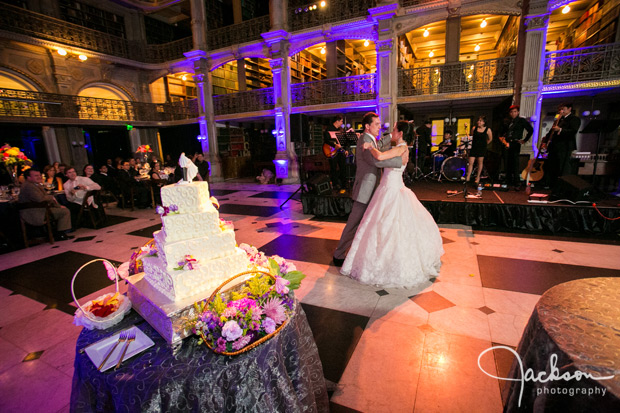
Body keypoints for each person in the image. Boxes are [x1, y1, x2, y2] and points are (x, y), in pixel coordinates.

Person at [340, 120, 444, 287]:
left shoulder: (401, 148)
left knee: (390, 228)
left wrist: (370, 147)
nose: (391, 132)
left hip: (392, 191)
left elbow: (380, 157)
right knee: (379, 227)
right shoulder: (398, 148)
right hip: (386, 188)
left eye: (394, 130)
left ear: (401, 133)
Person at [333, 112, 407, 266]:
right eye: (377, 124)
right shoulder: (364, 140)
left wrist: (389, 138)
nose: (380, 127)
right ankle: (338, 254)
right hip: (365, 191)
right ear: (367, 126)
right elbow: (377, 161)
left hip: (373, 189)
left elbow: (378, 146)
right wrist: (401, 161)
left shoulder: (370, 139)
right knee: (353, 223)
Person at [18, 169, 73, 240]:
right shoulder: (29, 186)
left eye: (39, 175)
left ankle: (59, 233)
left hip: (41, 209)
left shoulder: (35, 185)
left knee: (63, 209)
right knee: (64, 212)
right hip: (34, 213)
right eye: (36, 176)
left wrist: (57, 205)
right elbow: (40, 199)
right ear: (28, 177)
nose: (39, 177)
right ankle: (60, 234)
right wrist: (51, 198)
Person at [541, 102, 581, 188]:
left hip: (564, 146)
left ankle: (563, 186)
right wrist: (545, 141)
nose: (561, 111)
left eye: (563, 109)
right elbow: (551, 131)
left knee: (563, 166)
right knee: (552, 165)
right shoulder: (558, 119)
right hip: (554, 146)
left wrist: (560, 129)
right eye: (560, 110)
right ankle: (552, 184)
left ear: (569, 109)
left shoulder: (574, 119)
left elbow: (573, 131)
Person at [500, 105, 534, 190]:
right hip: (507, 143)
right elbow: (502, 132)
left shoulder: (521, 121)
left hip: (515, 143)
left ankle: (517, 182)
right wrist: (504, 140)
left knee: (515, 162)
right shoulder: (507, 121)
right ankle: (507, 180)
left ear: (518, 112)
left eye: (515, 111)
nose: (513, 113)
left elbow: (530, 130)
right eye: (511, 112)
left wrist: (524, 140)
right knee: (507, 162)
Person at [465, 116, 493, 184]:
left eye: (480, 121)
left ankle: (478, 177)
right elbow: (471, 135)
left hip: (482, 148)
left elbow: (490, 139)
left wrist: (485, 144)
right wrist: (465, 128)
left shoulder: (488, 130)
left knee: (480, 162)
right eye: (478, 120)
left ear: (484, 122)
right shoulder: (474, 128)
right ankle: (468, 176)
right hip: (474, 147)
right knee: (471, 162)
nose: (479, 122)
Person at [323, 115, 348, 190]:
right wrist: (334, 145)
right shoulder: (329, 129)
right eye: (341, 121)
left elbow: (344, 141)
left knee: (343, 167)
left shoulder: (340, 130)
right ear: (337, 121)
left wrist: (346, 149)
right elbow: (327, 140)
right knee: (333, 168)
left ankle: (344, 184)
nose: (342, 123)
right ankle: (335, 184)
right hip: (332, 151)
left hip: (340, 151)